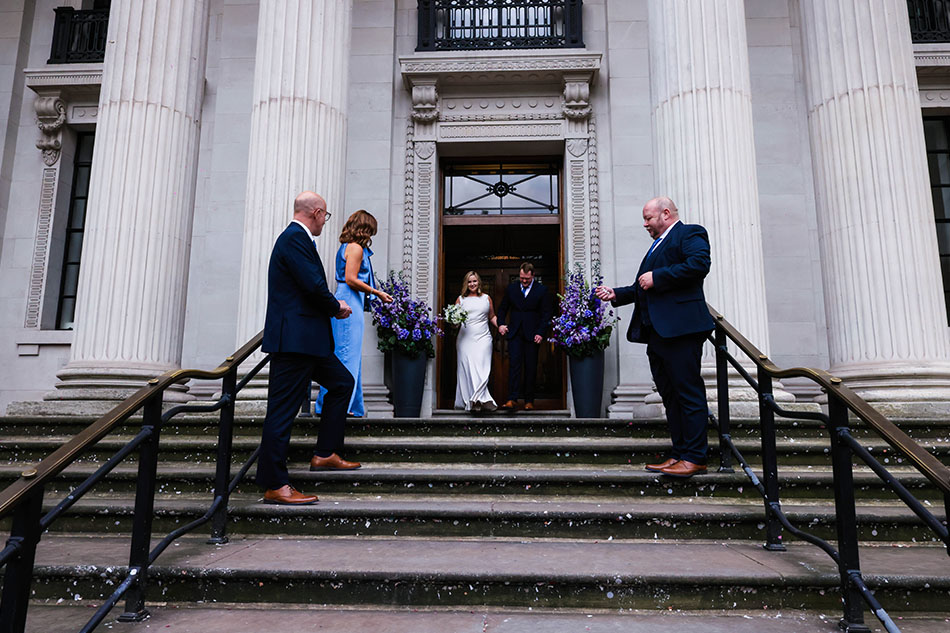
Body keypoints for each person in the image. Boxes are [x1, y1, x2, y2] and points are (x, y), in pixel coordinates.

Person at [595, 196, 714, 478]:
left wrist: (658, 277)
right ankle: (680, 453)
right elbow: (643, 286)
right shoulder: (656, 245)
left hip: (681, 330)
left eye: (648, 218)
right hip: (658, 334)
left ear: (665, 213)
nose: (645, 224)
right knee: (670, 396)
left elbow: (699, 265)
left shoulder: (690, 233)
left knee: (688, 393)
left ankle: (696, 457)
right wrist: (617, 294)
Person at [255, 191, 359, 506]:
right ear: (315, 212)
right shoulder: (293, 239)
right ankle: (275, 484)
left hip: (309, 343)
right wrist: (336, 307)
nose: (325, 222)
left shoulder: (298, 241)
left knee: (342, 383)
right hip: (294, 343)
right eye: (325, 216)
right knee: (282, 412)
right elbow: (313, 286)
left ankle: (325, 452)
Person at [315, 210, 393, 418]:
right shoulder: (356, 248)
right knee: (347, 354)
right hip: (349, 300)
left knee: (347, 354)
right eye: (370, 231)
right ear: (364, 229)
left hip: (348, 299)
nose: (371, 236)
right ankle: (339, 404)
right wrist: (377, 292)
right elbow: (350, 278)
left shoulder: (346, 247)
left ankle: (347, 404)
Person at [496, 262, 553, 411]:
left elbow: (546, 314)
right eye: (522, 278)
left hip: (533, 334)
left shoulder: (542, 290)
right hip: (515, 333)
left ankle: (529, 400)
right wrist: (501, 324)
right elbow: (502, 309)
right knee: (514, 365)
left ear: (533, 276)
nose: (524, 281)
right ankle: (511, 399)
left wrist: (541, 332)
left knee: (531, 367)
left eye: (527, 278)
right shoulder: (512, 289)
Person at [454, 271, 498, 412]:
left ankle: (479, 398)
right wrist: (453, 322)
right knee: (467, 370)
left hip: (483, 338)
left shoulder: (486, 298)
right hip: (465, 339)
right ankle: (471, 401)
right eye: (469, 282)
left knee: (482, 368)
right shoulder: (461, 299)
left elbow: (492, 317)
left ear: (479, 282)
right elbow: (455, 322)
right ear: (466, 284)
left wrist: (501, 326)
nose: (472, 284)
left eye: (474, 281)